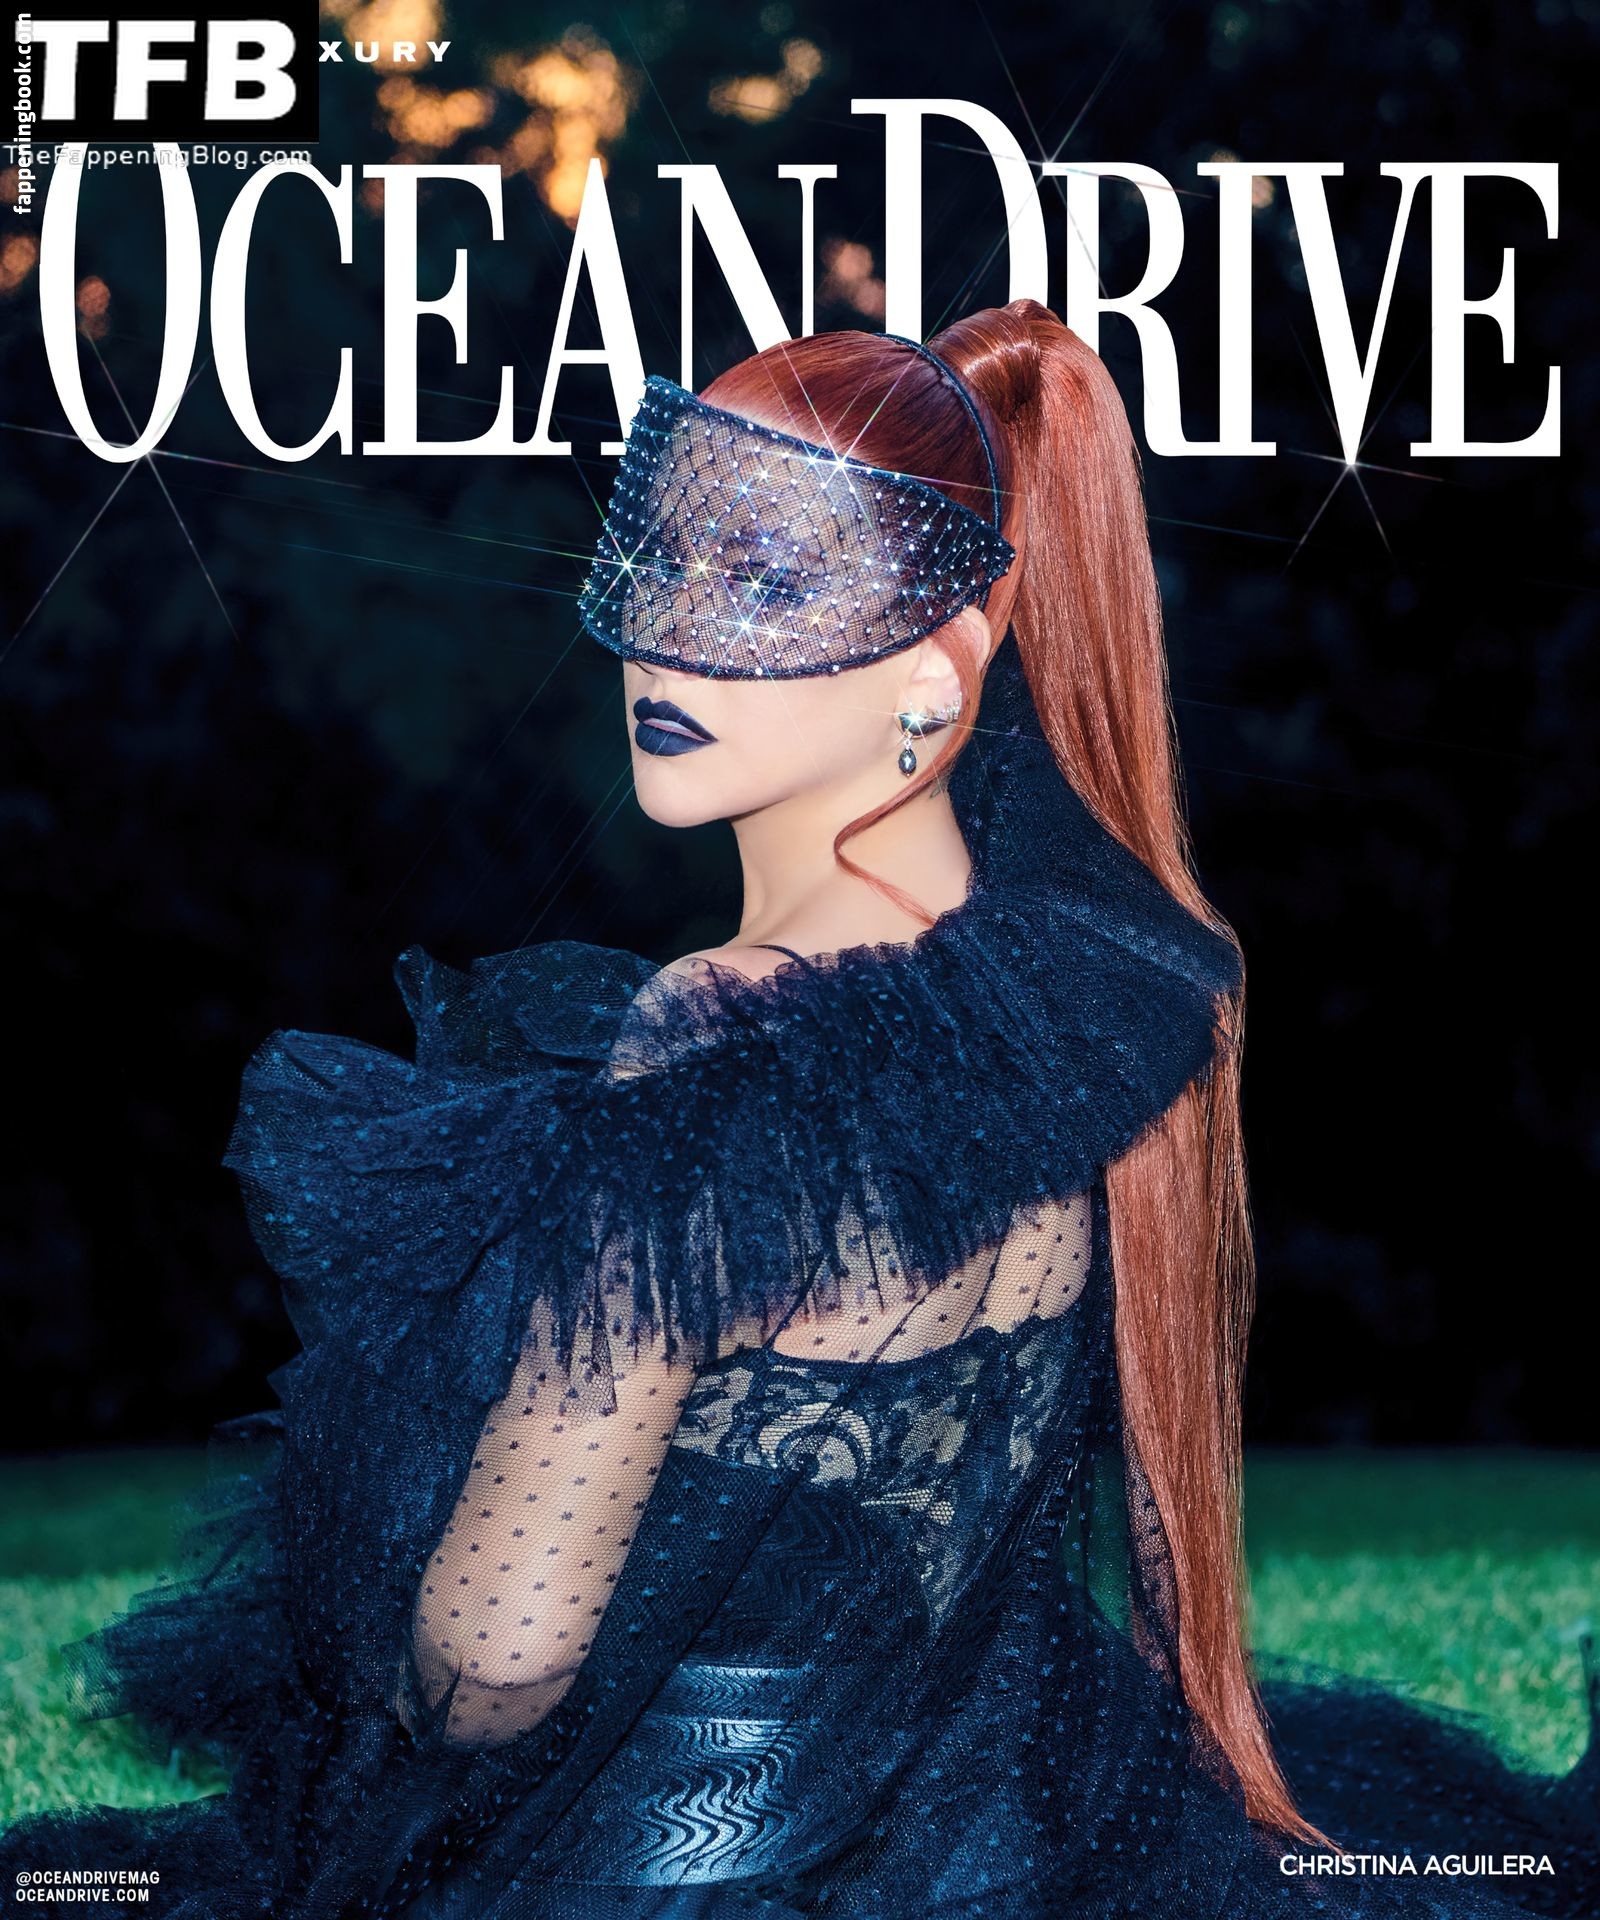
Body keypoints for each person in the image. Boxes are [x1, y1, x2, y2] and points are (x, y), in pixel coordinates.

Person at [3, 300, 1595, 1919]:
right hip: (1005, 1855)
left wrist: (380, 1624)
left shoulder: (721, 1034)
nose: (671, 634)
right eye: (667, 558)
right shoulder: (1073, 1000)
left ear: (937, 671)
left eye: (767, 583)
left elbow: (494, 1660)